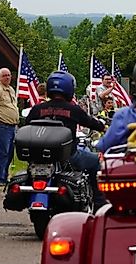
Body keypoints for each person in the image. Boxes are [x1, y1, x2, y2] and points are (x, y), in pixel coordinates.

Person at [24, 71, 106, 201]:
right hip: (68, 156)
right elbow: (91, 123)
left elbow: (26, 125)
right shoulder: (73, 109)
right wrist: (103, 126)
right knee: (96, 162)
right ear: (69, 88)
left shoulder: (37, 109)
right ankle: (98, 201)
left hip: (40, 156)